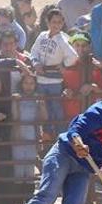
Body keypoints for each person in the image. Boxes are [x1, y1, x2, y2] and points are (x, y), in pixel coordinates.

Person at [30, 8, 79, 142]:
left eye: (59, 22)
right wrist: (36, 63)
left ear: (62, 23)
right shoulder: (42, 36)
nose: (56, 25)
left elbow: (73, 56)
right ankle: (45, 135)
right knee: (42, 108)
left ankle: (61, 136)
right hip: (40, 78)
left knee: (56, 109)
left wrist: (63, 66)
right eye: (53, 22)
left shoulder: (63, 39)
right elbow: (33, 52)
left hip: (54, 81)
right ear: (47, 22)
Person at [62, 31, 102, 120]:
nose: (80, 48)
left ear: (89, 47)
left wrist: (92, 87)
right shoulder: (65, 65)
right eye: (77, 45)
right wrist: (65, 91)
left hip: (91, 116)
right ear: (71, 46)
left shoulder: (95, 66)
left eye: (84, 45)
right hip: (71, 114)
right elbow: (61, 88)